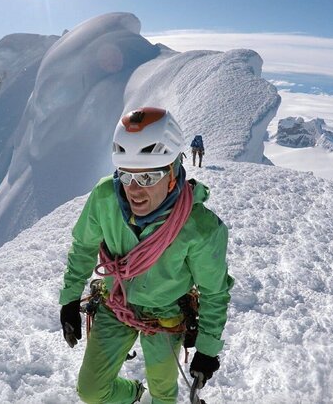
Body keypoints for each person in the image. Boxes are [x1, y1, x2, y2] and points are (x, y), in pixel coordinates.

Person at [59, 107, 233, 404]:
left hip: (166, 314)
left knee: (164, 397)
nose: (134, 190)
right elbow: (84, 246)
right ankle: (134, 394)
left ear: (172, 173)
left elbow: (214, 292)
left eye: (149, 177)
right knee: (91, 391)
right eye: (126, 175)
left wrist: (207, 348)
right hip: (117, 302)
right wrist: (70, 299)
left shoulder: (200, 228)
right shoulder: (105, 198)